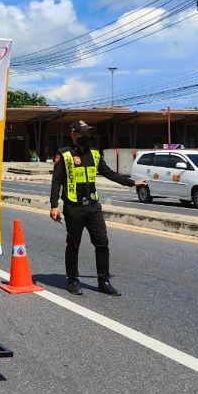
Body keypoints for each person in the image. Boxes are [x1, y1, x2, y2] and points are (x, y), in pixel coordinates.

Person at [49, 120, 146, 296]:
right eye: (83, 133)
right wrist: (54, 206)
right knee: (73, 245)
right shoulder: (64, 154)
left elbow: (109, 173)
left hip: (93, 207)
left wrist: (132, 183)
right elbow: (56, 181)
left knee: (102, 243)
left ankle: (104, 281)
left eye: (89, 133)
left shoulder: (94, 154)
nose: (87, 136)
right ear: (73, 135)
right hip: (73, 207)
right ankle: (72, 281)